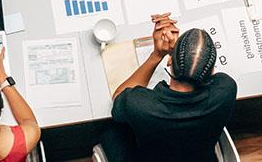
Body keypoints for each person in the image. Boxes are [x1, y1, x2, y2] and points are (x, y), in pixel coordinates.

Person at [99, 13, 237, 162]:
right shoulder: (226, 89)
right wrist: (182, 57)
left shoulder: (140, 105)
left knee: (112, 131)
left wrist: (157, 55)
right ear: (211, 72)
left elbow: (118, 96)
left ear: (169, 61)